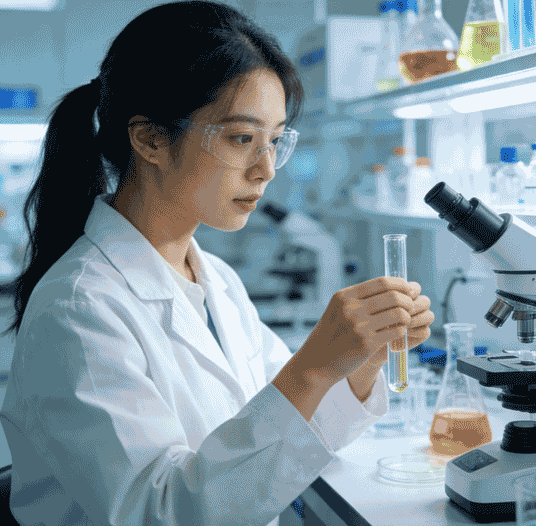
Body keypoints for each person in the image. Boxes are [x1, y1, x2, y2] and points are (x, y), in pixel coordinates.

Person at [0, 1, 435, 525]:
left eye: (275, 140)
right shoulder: (78, 310)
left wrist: (360, 360)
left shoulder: (216, 281)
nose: (266, 169)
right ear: (150, 139)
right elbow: (158, 512)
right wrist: (316, 363)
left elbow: (290, 425)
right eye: (241, 138)